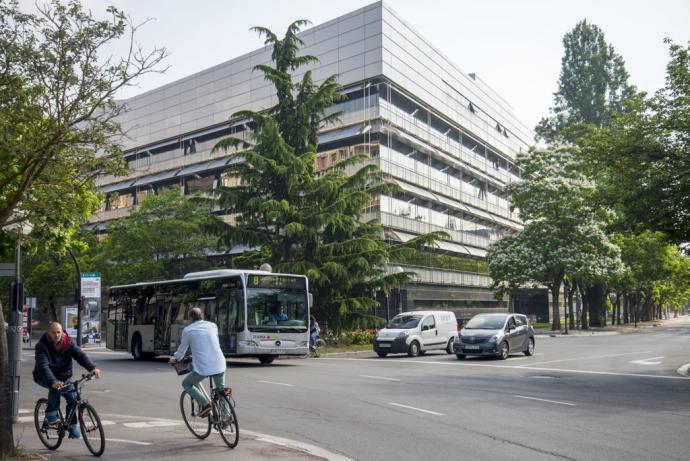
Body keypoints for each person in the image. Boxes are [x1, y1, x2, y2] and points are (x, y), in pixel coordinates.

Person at [33, 322, 102, 439]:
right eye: (53, 332)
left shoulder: (68, 343)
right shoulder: (41, 346)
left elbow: (80, 356)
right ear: (48, 333)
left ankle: (71, 426)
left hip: (64, 376)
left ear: (62, 332)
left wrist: (92, 368)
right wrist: (52, 381)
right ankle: (51, 416)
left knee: (73, 397)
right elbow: (43, 365)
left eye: (58, 332)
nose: (56, 335)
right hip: (44, 376)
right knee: (56, 388)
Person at [169, 307, 226, 418]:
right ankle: (226, 418)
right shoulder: (213, 326)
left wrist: (175, 358)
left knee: (186, 383)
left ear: (190, 318)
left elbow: (181, 351)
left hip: (203, 367)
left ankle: (204, 404)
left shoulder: (188, 330)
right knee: (221, 391)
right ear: (202, 316)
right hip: (219, 363)